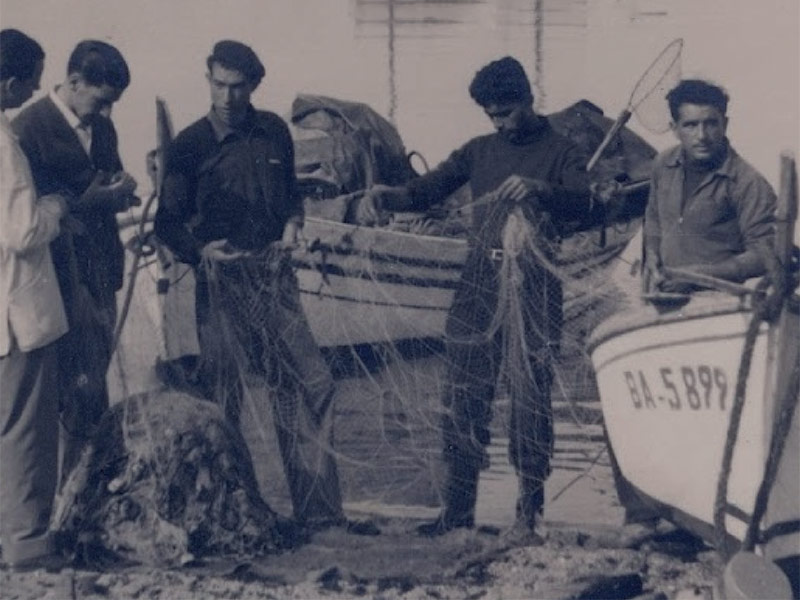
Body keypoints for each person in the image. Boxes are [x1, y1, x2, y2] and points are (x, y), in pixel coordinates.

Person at [359, 56, 606, 538]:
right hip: (478, 284)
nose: (500, 122)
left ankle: (528, 514)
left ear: (528, 100)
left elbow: (590, 202)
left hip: (533, 286)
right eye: (492, 115)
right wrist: (388, 195)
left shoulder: (562, 151)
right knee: (462, 396)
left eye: (507, 112)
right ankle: (457, 513)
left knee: (530, 400)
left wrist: (541, 189)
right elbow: (428, 189)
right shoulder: (479, 150)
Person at [154, 40, 376, 535]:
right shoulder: (189, 146)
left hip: (275, 280)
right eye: (218, 85)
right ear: (208, 79)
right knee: (225, 400)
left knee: (309, 384)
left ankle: (319, 513)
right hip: (221, 281)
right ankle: (231, 512)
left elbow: (291, 199)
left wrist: (295, 225)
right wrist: (201, 251)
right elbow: (166, 225)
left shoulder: (275, 130)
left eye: (238, 87)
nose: (228, 97)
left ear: (254, 84)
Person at [12, 39, 138, 484]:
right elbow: (28, 221)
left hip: (101, 274)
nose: (105, 113)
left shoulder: (104, 129)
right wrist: (84, 203)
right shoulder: (26, 129)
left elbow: (108, 181)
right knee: (62, 397)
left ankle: (86, 496)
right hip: (57, 285)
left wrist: (124, 188)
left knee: (92, 391)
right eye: (101, 101)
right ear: (74, 81)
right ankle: (58, 505)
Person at [0, 28, 69, 570]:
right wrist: (55, 206)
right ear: (8, 80)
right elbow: (23, 232)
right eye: (29, 84)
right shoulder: (3, 143)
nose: (32, 93)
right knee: (25, 428)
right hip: (16, 310)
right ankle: (26, 544)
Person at [643, 79, 776, 293]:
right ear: (674, 128)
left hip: (717, 307)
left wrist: (699, 276)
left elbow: (765, 256)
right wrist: (652, 254)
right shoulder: (663, 164)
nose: (702, 136)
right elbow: (653, 217)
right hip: (664, 299)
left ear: (725, 124)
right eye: (691, 125)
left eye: (711, 124)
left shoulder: (748, 183)